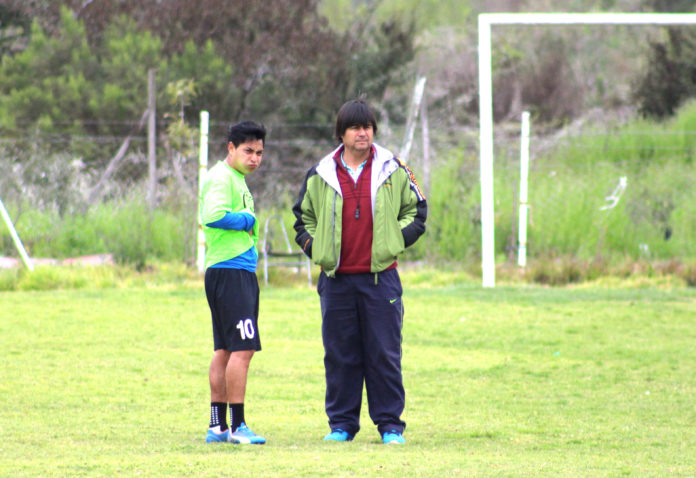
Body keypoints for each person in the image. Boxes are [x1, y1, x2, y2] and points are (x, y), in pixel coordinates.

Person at [292, 99, 427, 444]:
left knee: (384, 353)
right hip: (336, 281)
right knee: (340, 355)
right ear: (342, 133)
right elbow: (302, 219)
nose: (362, 133)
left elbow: (417, 211)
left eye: (367, 126)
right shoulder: (320, 172)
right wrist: (317, 251)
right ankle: (341, 425)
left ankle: (390, 426)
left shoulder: (395, 169)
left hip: (381, 281)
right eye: (355, 127)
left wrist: (393, 244)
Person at [199, 121, 267, 444]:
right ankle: (238, 427)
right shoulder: (221, 177)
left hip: (229, 272)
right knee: (243, 349)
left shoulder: (235, 178)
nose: (254, 158)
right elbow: (213, 215)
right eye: (248, 151)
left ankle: (217, 426)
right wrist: (247, 220)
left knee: (225, 349)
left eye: (259, 153)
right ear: (231, 148)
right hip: (231, 274)